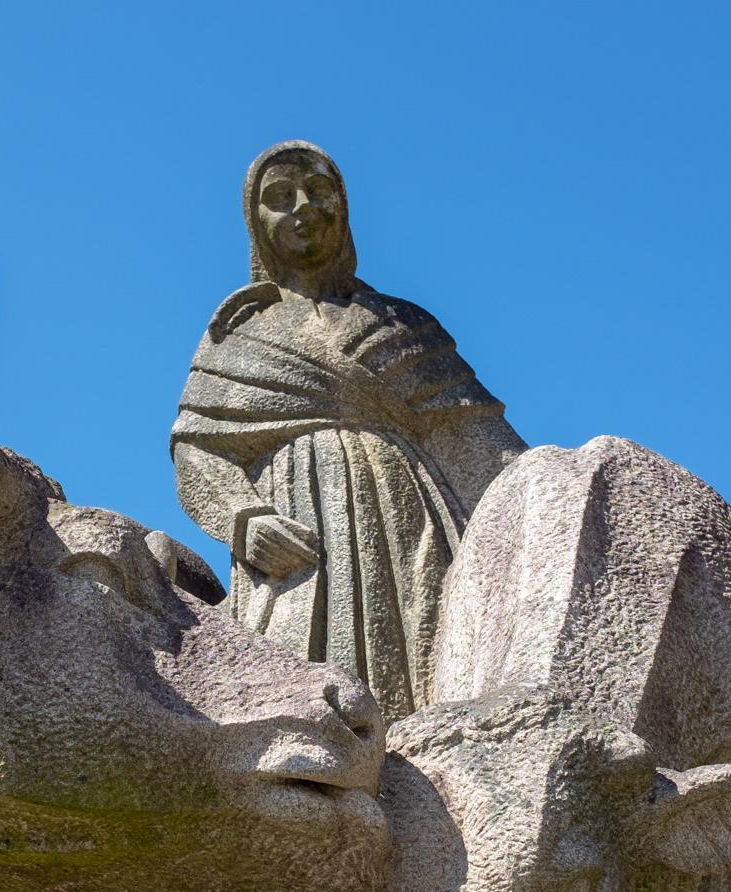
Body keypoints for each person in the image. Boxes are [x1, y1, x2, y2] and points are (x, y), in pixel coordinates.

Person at [171, 141, 526, 719]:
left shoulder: (403, 323)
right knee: (290, 689)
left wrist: (544, 495)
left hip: (410, 521)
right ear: (257, 224)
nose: (302, 207)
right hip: (295, 536)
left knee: (430, 646)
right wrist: (244, 519)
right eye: (280, 197)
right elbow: (197, 451)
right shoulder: (238, 334)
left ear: (344, 206)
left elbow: (480, 441)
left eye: (318, 190)